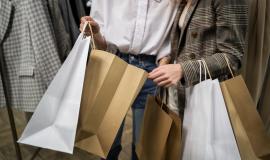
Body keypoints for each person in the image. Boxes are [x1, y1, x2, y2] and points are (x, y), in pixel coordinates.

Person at [80, 0, 178, 159]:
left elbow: (172, 33)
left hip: (153, 69)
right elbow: (101, 40)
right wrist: (95, 32)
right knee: (106, 143)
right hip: (114, 62)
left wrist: (164, 62)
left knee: (143, 148)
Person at [148, 0, 248, 115]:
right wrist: (166, 59)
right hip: (179, 92)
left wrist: (183, 70)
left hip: (206, 97)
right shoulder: (183, 2)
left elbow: (232, 57)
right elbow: (185, 42)